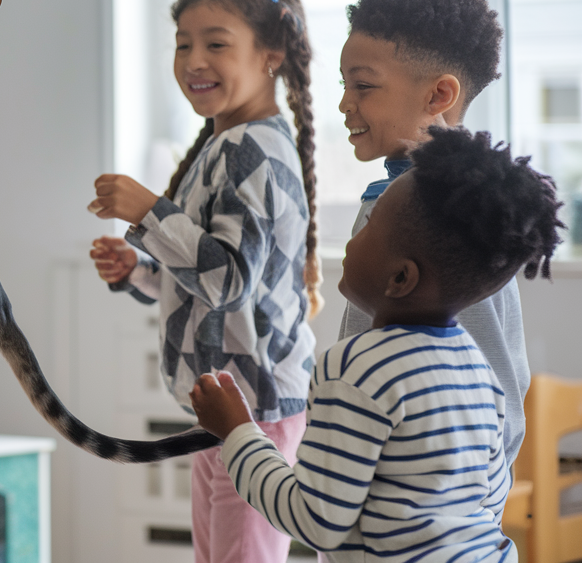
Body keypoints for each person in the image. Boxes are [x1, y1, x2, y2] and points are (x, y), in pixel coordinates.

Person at [190, 126, 563, 563]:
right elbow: (486, 496)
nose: (353, 239)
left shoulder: (354, 370)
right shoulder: (478, 371)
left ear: (401, 277)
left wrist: (237, 433)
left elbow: (315, 520)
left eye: (369, 227)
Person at [88, 0, 319, 563]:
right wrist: (136, 269)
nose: (194, 59)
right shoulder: (224, 145)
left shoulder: (252, 150)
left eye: (216, 43)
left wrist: (149, 210)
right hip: (222, 403)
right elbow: (198, 272)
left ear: (270, 56)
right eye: (183, 43)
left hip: (254, 406)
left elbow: (230, 280)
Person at [337, 0, 531, 466]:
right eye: (344, 85)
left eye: (363, 85)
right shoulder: (401, 191)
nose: (344, 102)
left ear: (439, 95)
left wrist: (460, 508)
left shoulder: (448, 213)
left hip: (427, 518)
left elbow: (496, 384)